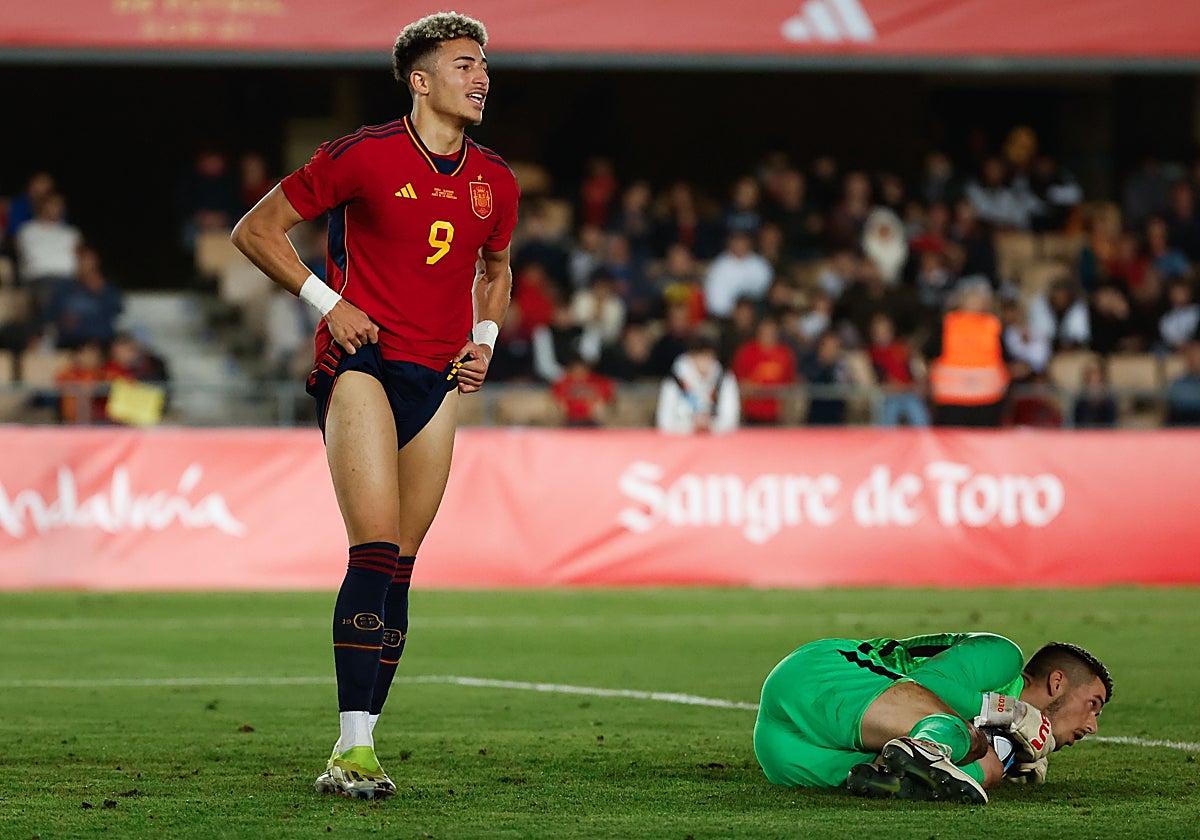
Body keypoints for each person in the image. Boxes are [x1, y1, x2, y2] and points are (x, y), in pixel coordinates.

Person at [230, 11, 518, 801]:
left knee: (401, 569)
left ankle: (359, 742)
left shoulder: (497, 179)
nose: (481, 76)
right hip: (362, 362)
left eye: (484, 64)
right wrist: (328, 303)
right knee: (375, 546)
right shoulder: (363, 155)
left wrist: (485, 337)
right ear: (421, 80)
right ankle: (352, 746)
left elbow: (496, 268)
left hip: (439, 378)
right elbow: (255, 230)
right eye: (464, 64)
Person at [754, 634, 1112, 804]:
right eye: (1093, 704)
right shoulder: (1003, 656)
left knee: (988, 763)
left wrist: (1008, 755)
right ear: (1057, 682)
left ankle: (903, 773)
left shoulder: (1002, 744)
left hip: (786, 753)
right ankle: (926, 748)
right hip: (822, 676)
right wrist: (1013, 711)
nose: (1092, 725)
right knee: (971, 739)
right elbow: (927, 683)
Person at [655, 334, 739, 434]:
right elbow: (664, 422)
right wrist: (691, 425)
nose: (704, 362)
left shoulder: (724, 379)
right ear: (690, 356)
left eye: (708, 356)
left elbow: (731, 420)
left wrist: (711, 424)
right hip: (680, 443)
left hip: (716, 442)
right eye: (700, 356)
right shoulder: (674, 380)